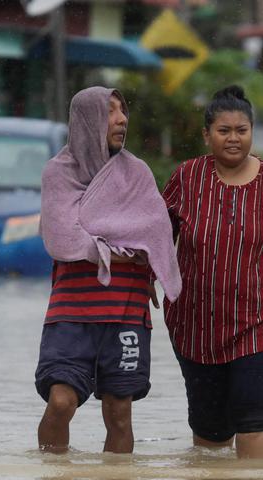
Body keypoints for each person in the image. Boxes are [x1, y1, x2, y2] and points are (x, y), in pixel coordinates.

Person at [161, 86, 263, 460]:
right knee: (209, 426)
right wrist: (155, 279)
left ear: (252, 132)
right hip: (195, 324)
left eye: (242, 130)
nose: (233, 138)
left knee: (255, 412)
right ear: (206, 135)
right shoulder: (186, 178)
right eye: (224, 130)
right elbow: (158, 236)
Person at [34, 86, 181, 454]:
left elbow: (155, 233)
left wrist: (130, 257)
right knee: (62, 402)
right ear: (87, 121)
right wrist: (121, 251)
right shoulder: (58, 174)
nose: (122, 120)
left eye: (123, 111)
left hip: (125, 308)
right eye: (111, 112)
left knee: (119, 414)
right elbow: (63, 238)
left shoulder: (137, 174)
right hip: (71, 311)